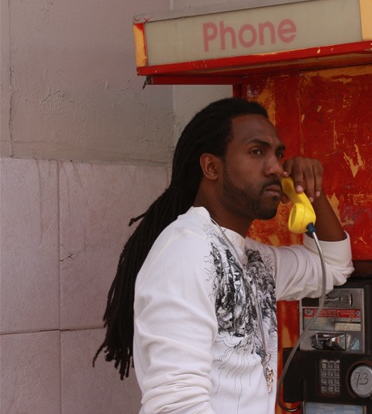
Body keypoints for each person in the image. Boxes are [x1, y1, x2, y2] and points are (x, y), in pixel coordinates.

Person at [93, 97, 353, 413]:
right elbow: (177, 406)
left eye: (278, 154)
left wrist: (311, 192)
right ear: (211, 167)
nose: (276, 168)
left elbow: (333, 266)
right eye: (257, 152)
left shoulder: (251, 258)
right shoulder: (187, 251)